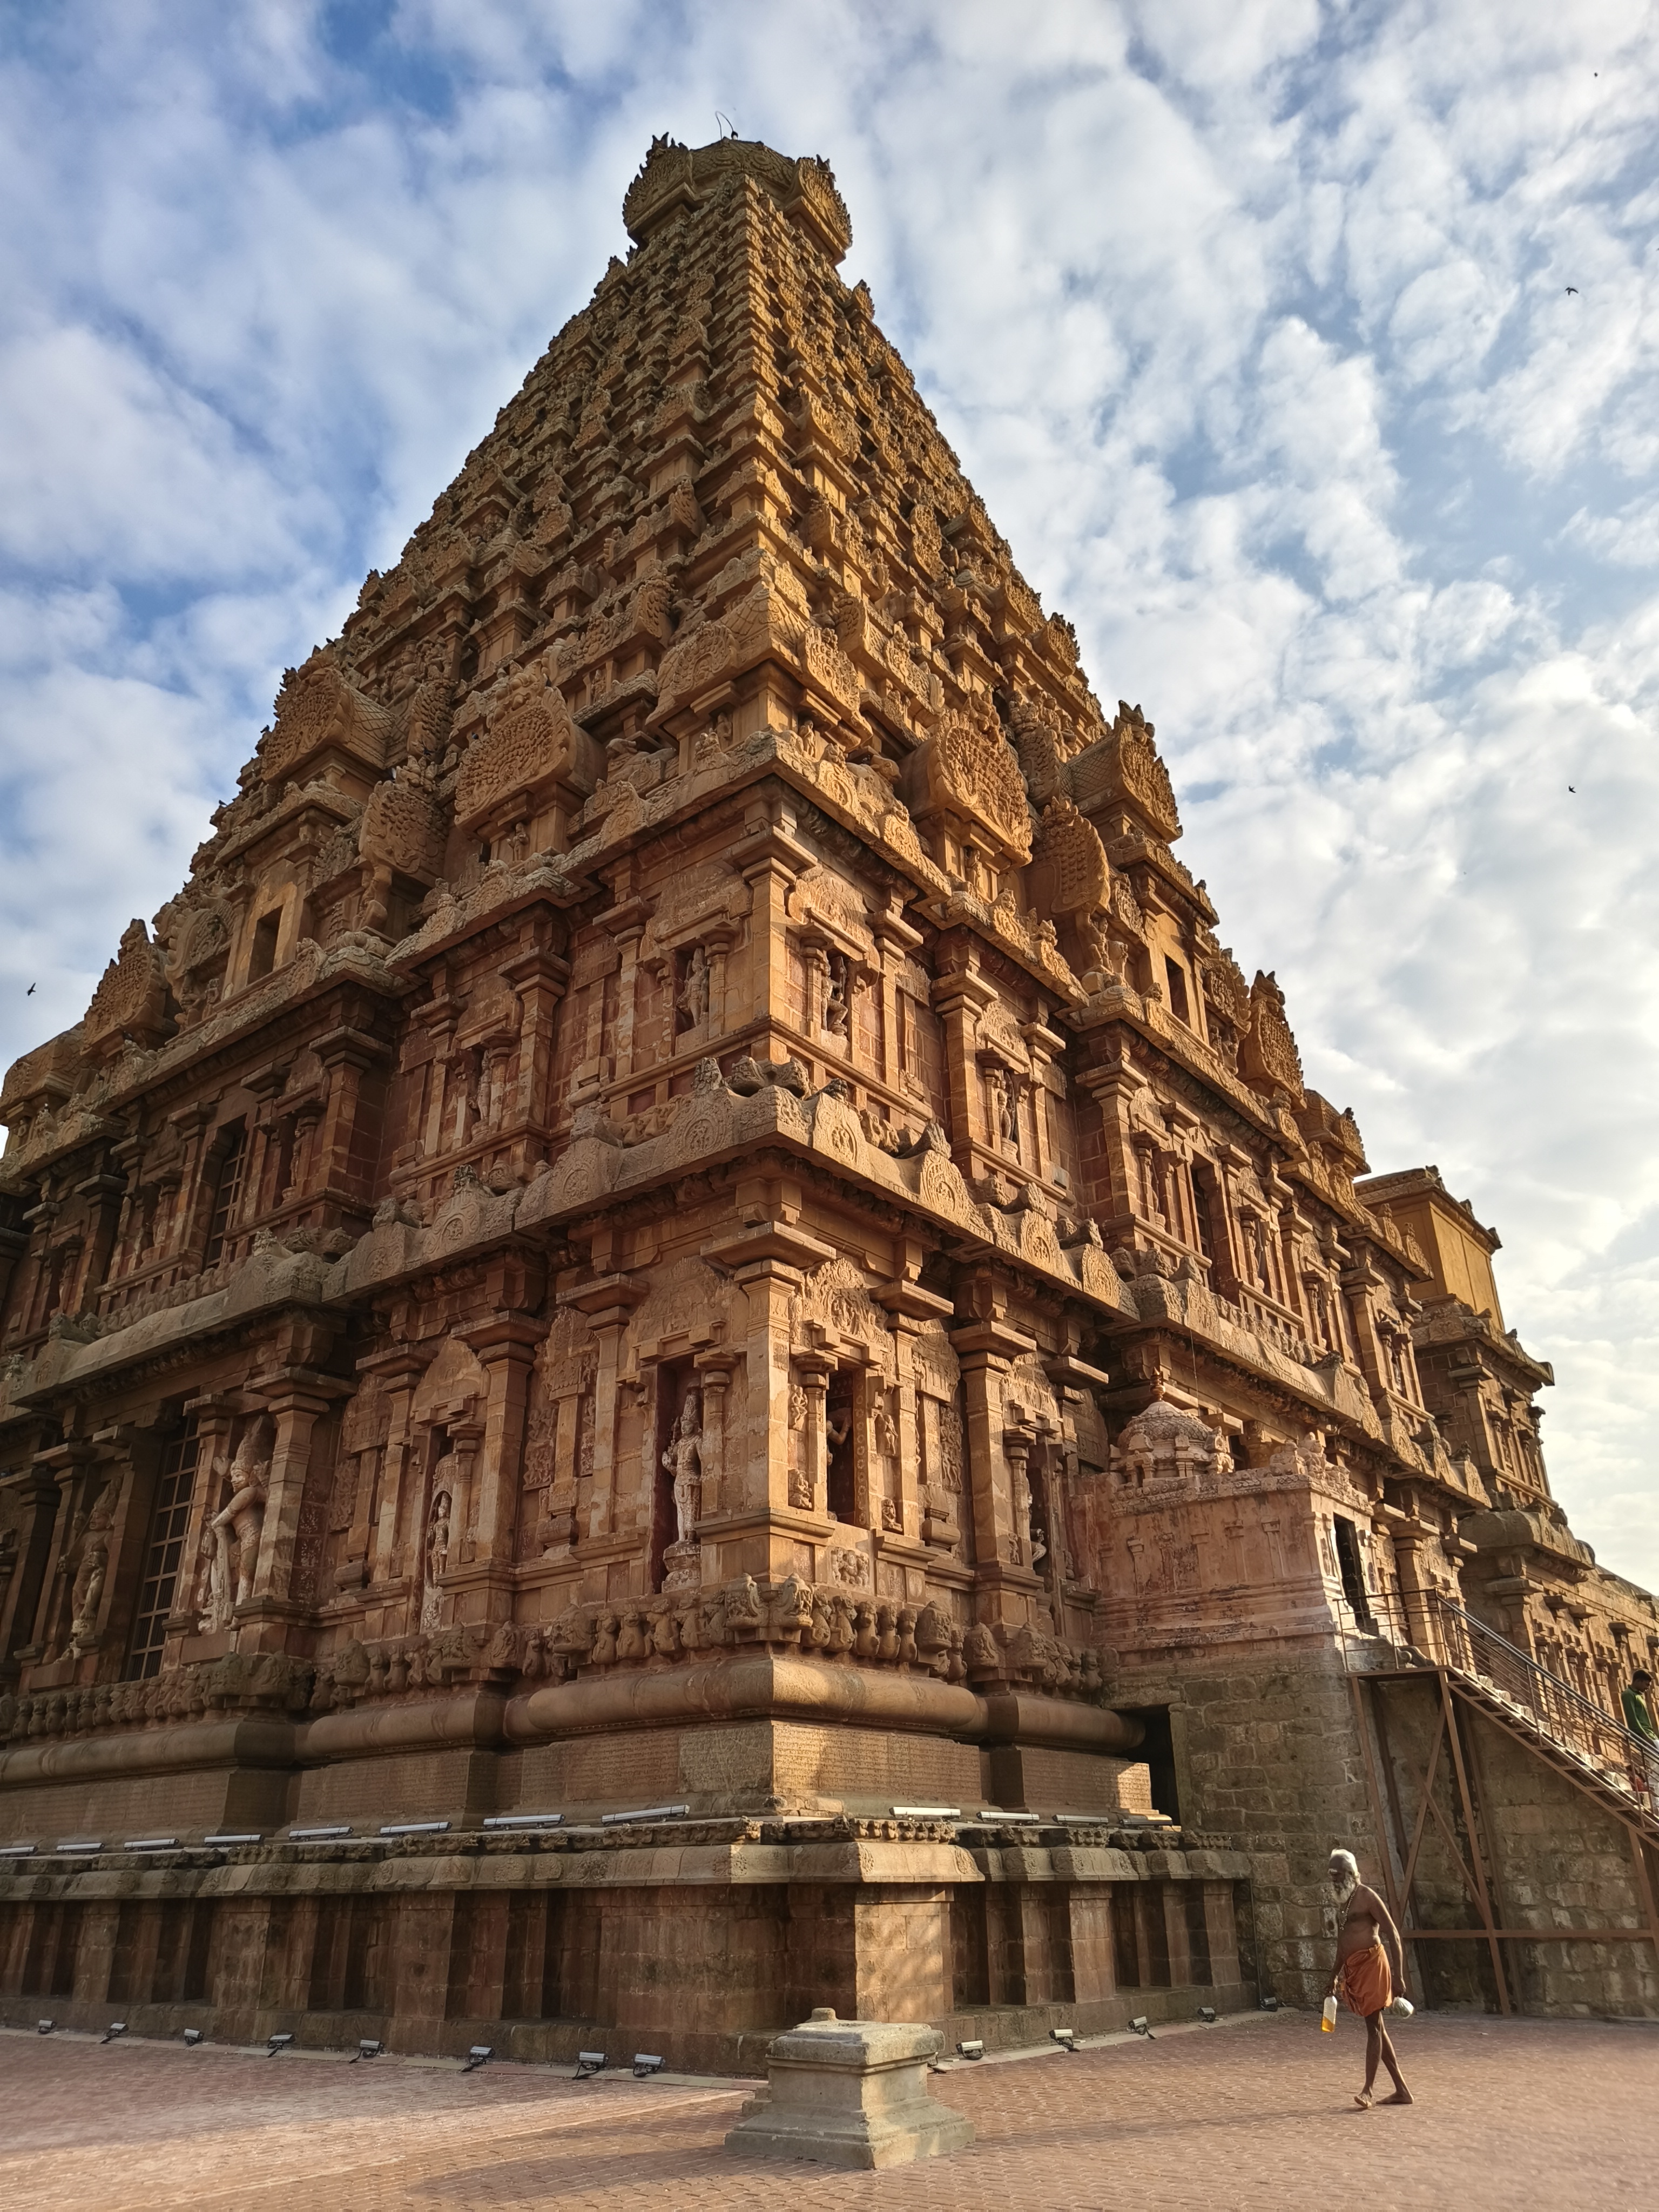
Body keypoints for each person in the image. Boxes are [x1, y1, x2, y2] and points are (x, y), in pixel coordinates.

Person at [1326, 1848, 1413, 2109]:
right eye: (1331, 1874)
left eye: (1338, 1874)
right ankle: (1402, 2090)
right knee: (1378, 2029)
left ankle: (1368, 2091)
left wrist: (1399, 1976)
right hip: (1354, 1969)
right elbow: (1343, 1943)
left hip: (1373, 1965)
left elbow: (1393, 1934)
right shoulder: (1344, 1901)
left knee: (1373, 2027)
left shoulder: (1367, 1897)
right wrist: (1333, 1975)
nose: (1333, 1879)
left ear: (1351, 1873)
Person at [1622, 1668, 1657, 1803]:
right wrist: (1644, 1737)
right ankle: (1651, 1788)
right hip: (1645, 1736)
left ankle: (1654, 1796)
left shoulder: (1638, 1696)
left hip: (1651, 1735)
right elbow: (1632, 1720)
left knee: (1656, 1768)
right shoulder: (1628, 1695)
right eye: (1646, 1684)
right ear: (1638, 1681)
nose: (1647, 1688)